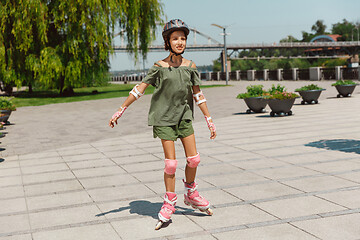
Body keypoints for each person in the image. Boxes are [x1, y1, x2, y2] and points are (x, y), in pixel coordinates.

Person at [109, 19, 216, 230]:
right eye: (175, 38)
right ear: (167, 41)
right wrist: (120, 110)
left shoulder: (190, 66)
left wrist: (209, 119)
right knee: (171, 164)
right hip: (164, 119)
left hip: (184, 117)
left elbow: (198, 94)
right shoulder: (159, 67)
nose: (180, 42)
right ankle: (169, 202)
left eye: (183, 38)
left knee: (194, 159)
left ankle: (191, 194)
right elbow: (140, 89)